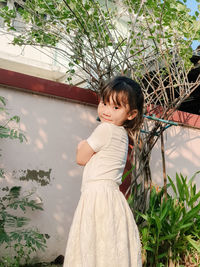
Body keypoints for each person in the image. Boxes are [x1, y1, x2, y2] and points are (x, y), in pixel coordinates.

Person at [64, 76, 144, 267]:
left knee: (92, 247)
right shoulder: (123, 135)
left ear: (131, 114)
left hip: (97, 197)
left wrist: (81, 145)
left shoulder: (105, 129)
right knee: (109, 248)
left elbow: (81, 158)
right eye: (104, 103)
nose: (106, 111)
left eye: (116, 107)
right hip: (111, 198)